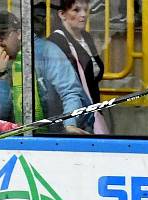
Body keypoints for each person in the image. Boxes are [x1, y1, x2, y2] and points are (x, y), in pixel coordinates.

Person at [0, 11, 92, 134]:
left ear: (19, 34)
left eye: (2, 35)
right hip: (19, 136)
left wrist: (70, 124)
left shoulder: (46, 52)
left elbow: (70, 92)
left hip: (59, 133)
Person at [47, 0, 108, 134]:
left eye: (86, 10)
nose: (83, 15)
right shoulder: (56, 42)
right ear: (62, 14)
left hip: (90, 112)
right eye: (76, 10)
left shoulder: (86, 37)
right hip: (72, 116)